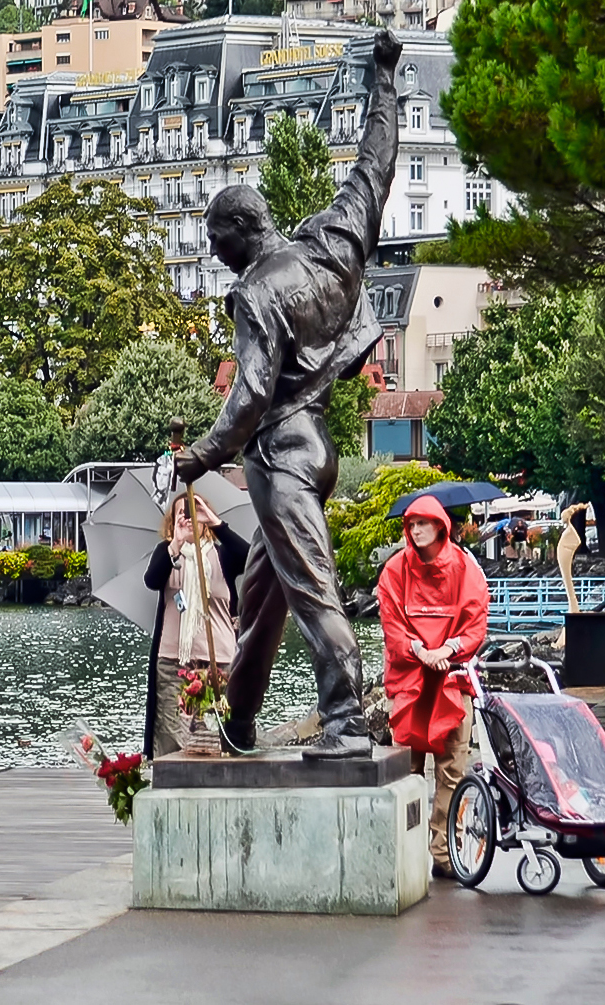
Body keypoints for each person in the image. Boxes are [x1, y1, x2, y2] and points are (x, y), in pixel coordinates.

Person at [173, 30, 403, 759]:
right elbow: (374, 170)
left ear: (243, 229)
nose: (211, 250)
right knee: (262, 593)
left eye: (215, 237)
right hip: (321, 446)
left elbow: (248, 397)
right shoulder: (329, 246)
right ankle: (239, 722)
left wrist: (198, 458)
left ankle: (344, 720)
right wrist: (385, 84)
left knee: (309, 589)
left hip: (282, 454)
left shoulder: (257, 296)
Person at [377, 494, 490, 879]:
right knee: (403, 775)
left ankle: (443, 852)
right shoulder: (394, 570)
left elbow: (476, 623)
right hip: (410, 684)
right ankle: (402, 853)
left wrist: (448, 649)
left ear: (441, 525)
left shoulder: (464, 567)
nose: (415, 530)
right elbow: (391, 624)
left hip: (451, 683)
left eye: (422, 523)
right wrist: (421, 651)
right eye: (410, 524)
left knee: (451, 772)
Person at [141, 494, 249, 757]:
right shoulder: (167, 554)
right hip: (174, 661)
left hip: (218, 660)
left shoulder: (222, 556)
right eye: (182, 513)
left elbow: (249, 557)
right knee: (171, 735)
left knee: (217, 732)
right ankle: (169, 791)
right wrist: (176, 542)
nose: (188, 518)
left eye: (193, 511)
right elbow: (152, 580)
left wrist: (215, 522)